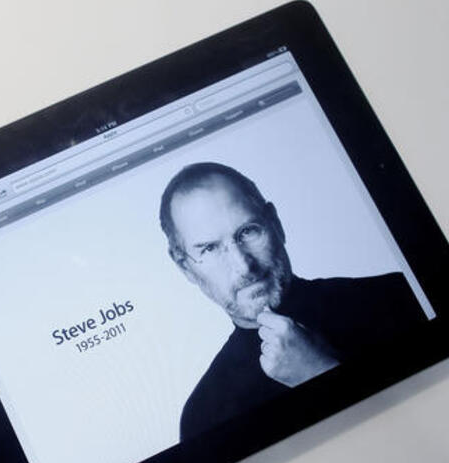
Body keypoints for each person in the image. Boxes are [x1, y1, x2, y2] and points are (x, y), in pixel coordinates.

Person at [158, 162, 427, 442]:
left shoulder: (401, 295)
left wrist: (319, 373)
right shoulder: (203, 417)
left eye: (248, 231)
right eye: (210, 248)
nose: (244, 266)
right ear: (186, 268)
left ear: (276, 224)